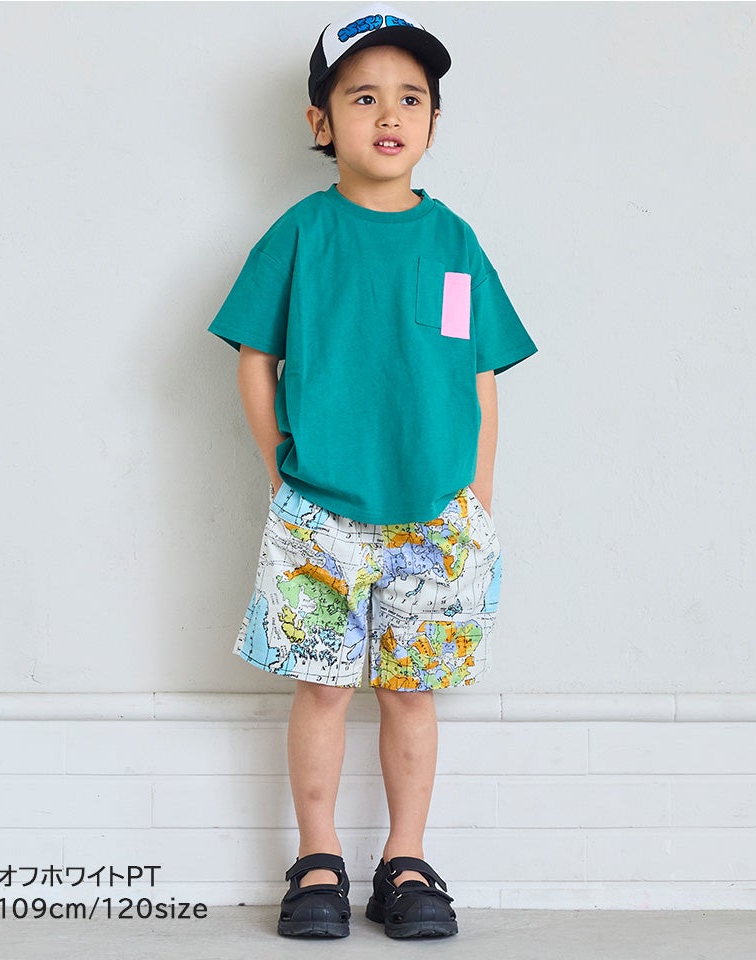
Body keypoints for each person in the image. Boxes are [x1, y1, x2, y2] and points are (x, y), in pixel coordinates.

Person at [207, 4, 537, 940]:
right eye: (362, 97)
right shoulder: (301, 233)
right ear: (321, 121)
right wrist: (282, 470)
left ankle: (407, 859)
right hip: (321, 514)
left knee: (409, 690)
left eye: (410, 97)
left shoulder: (454, 241)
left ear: (433, 121)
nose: (389, 113)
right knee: (320, 687)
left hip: (437, 517)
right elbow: (255, 357)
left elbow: (480, 373)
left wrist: (476, 495)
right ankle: (317, 858)